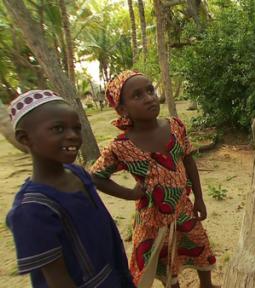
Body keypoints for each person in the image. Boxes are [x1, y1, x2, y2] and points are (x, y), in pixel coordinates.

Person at [90, 71, 217, 288]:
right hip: (152, 220)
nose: (149, 97)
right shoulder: (121, 146)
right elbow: (96, 177)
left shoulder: (175, 126)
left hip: (183, 209)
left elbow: (188, 161)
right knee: (166, 261)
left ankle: (207, 285)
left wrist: (200, 198)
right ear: (122, 109)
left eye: (150, 90)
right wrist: (130, 194)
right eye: (137, 95)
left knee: (200, 247)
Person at [5, 90, 135, 288]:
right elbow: (58, 280)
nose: (73, 136)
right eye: (58, 129)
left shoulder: (77, 173)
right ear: (25, 138)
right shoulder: (31, 211)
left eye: (76, 128)